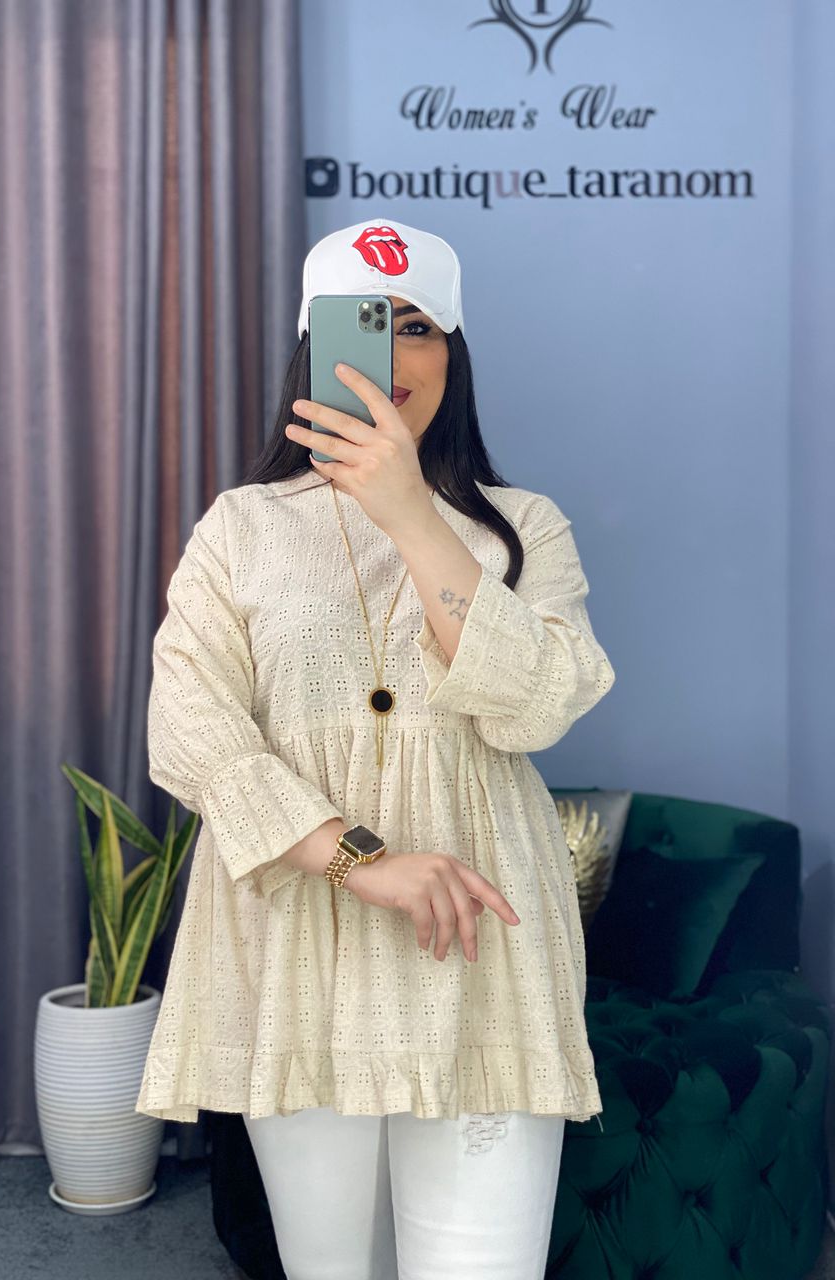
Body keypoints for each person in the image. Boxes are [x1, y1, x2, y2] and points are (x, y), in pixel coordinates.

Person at [135, 217, 616, 1279]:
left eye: (417, 325)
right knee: (331, 1267)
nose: (393, 354)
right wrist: (362, 859)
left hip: (479, 946)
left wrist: (410, 513)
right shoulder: (242, 526)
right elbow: (190, 728)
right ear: (314, 347)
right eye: (363, 323)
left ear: (455, 351)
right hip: (300, 942)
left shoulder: (526, 526)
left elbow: (537, 708)